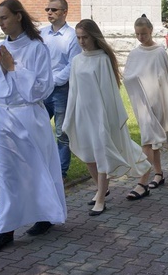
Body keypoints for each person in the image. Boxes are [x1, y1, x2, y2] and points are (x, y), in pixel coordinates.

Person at [0, 0, 67, 253]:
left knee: (37, 168)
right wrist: (6, 71)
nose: (0, 23)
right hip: (3, 116)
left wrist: (14, 69)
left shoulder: (36, 48)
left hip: (29, 117)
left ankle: (44, 215)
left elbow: (42, 88)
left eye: (4, 17)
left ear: (18, 16)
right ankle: (5, 229)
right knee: (7, 174)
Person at [63, 19, 152, 214]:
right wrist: (69, 117)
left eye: (85, 37)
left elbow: (109, 92)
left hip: (99, 115)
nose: (81, 41)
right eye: (78, 38)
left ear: (94, 37)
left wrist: (108, 118)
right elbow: (73, 91)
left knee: (102, 154)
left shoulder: (102, 59)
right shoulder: (77, 60)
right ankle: (102, 188)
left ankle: (101, 198)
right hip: (82, 114)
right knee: (87, 155)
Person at [123, 15, 168, 198]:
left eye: (144, 34)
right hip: (141, 103)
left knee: (150, 140)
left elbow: (166, 76)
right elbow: (128, 75)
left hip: (157, 100)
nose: (140, 37)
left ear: (151, 31)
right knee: (149, 138)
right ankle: (158, 174)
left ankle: (142, 182)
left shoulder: (159, 51)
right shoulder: (134, 53)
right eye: (137, 34)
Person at [40, 0, 82, 179]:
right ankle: (41, 167)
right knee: (38, 128)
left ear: (64, 12)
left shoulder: (72, 36)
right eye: (47, 9)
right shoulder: (41, 34)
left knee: (62, 132)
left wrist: (53, 81)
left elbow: (72, 64)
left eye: (54, 10)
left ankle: (60, 172)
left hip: (60, 91)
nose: (50, 12)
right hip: (41, 89)